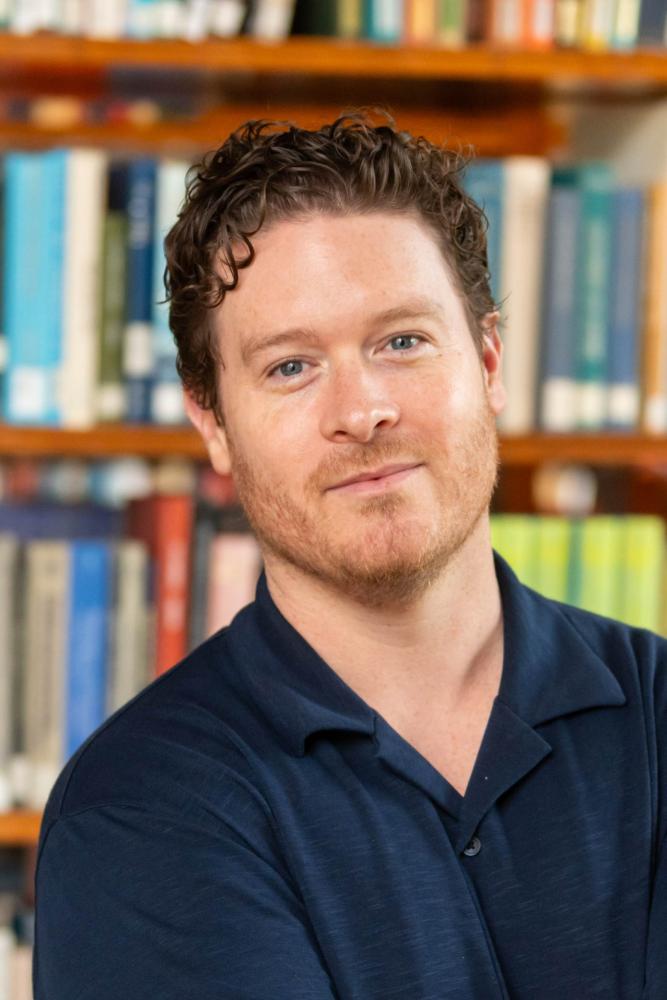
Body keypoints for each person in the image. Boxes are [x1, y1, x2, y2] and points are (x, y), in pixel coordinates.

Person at [34, 114, 666, 1000]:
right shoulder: (142, 810)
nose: (361, 410)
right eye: (290, 366)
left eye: (401, 341)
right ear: (212, 422)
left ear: (487, 362)